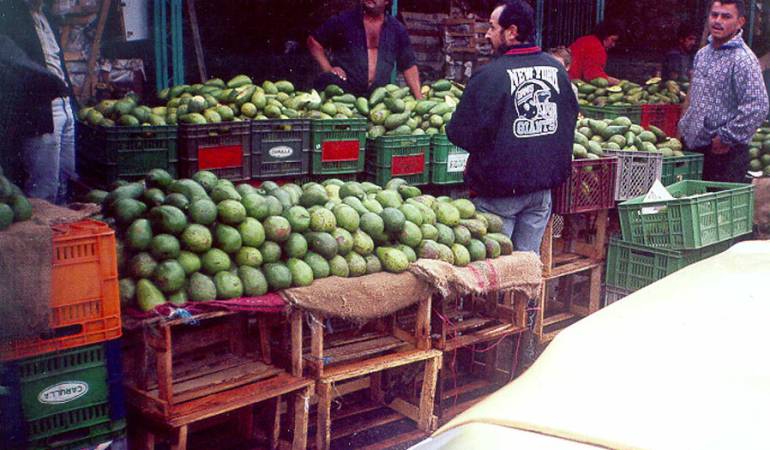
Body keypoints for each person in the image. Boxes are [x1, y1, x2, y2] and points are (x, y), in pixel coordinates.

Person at [447, 0, 578, 373]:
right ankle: (522, 351)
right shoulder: (556, 70)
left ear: (512, 32)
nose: (487, 34)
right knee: (526, 273)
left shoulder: (491, 76)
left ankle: (485, 360)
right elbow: (568, 120)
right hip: (541, 194)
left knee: (492, 279)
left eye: (492, 27)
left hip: (499, 197)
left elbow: (460, 132)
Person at [678, 0, 769, 183]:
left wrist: (726, 138)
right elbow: (695, 96)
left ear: (740, 22)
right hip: (695, 148)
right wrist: (683, 127)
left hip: (724, 155)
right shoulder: (703, 54)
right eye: (714, 15)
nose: (718, 21)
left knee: (716, 209)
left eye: (726, 16)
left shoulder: (743, 60)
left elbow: (758, 106)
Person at [0, 0, 76, 204]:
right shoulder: (8, 12)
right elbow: (11, 56)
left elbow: (56, 59)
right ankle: (43, 231)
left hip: (64, 103)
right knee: (45, 184)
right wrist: (46, 79)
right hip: (40, 106)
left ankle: (64, 228)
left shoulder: (46, 16)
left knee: (66, 176)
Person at [307, 0, 423, 98]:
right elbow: (314, 42)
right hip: (343, 96)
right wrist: (328, 68)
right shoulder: (344, 20)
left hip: (377, 99)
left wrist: (419, 98)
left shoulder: (396, 29)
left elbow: (409, 65)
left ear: (387, 1)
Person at [568, 20, 622, 84]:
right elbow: (593, 75)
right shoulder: (597, 48)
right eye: (612, 40)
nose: (613, 45)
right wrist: (619, 83)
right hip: (571, 82)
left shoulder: (586, 39)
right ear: (605, 36)